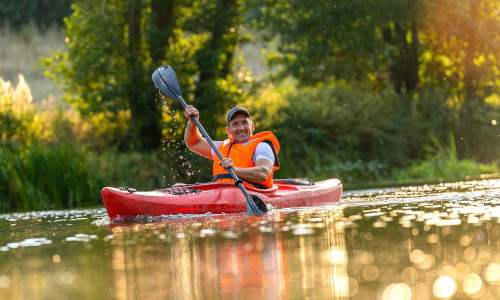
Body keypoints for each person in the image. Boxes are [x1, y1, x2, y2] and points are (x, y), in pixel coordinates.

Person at [184, 105, 279, 189]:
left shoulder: (262, 146)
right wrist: (192, 122)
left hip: (253, 197)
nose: (241, 128)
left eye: (245, 122)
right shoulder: (221, 147)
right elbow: (194, 143)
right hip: (220, 197)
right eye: (235, 124)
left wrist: (235, 170)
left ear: (252, 126)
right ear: (228, 130)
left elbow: (263, 173)